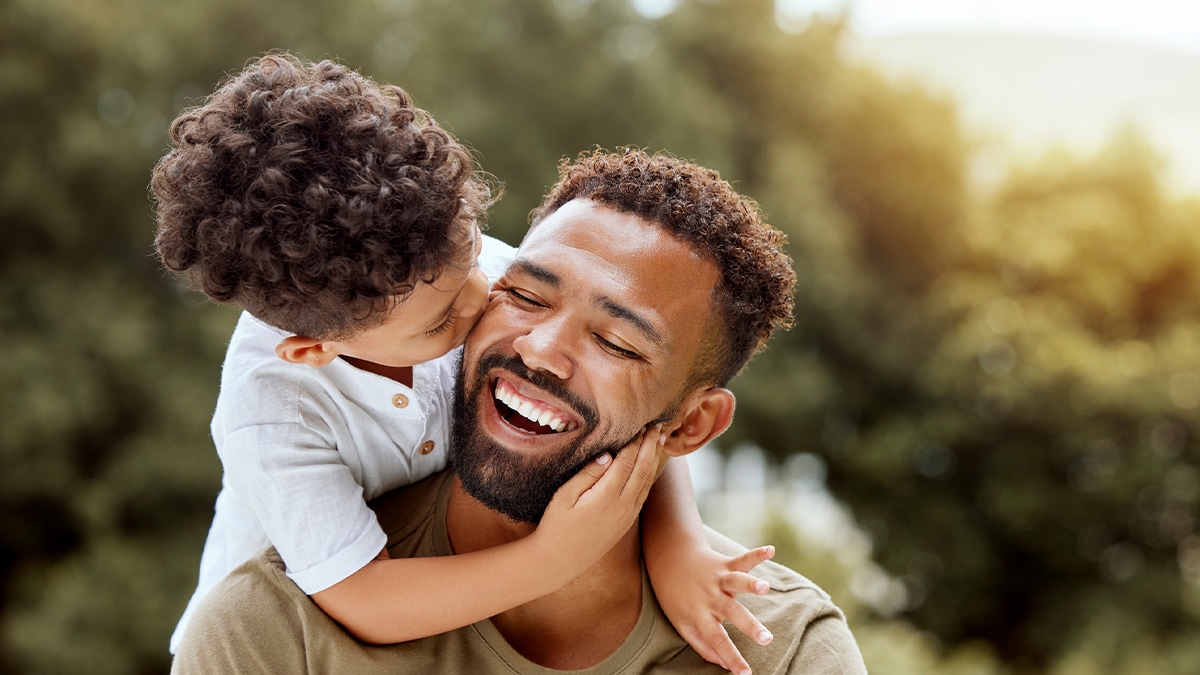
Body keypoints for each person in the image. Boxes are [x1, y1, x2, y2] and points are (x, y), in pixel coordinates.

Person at [151, 54, 775, 673]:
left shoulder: (455, 277)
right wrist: (555, 560)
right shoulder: (272, 415)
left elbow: (638, 407)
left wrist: (679, 548)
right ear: (317, 349)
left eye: (484, 265)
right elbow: (365, 600)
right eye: (440, 321)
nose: (487, 302)